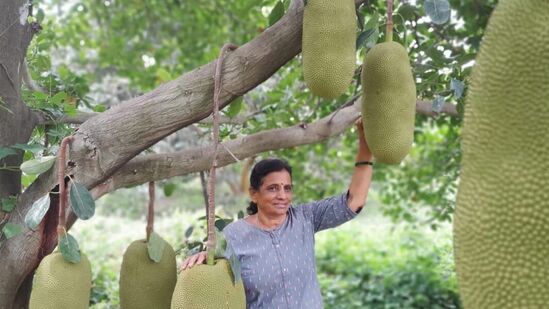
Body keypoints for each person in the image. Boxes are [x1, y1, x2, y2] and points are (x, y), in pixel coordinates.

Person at [181, 118, 373, 308]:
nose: (282, 195)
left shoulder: (305, 218)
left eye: (287, 188)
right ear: (254, 194)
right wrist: (204, 258)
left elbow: (354, 202)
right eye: (273, 188)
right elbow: (217, 281)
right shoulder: (233, 235)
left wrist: (365, 144)